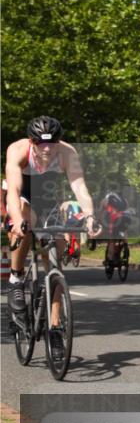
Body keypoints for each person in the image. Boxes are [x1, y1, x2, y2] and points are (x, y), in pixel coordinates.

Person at [4, 116, 102, 352]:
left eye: (52, 143)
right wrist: (17, 221)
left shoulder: (67, 153)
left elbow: (79, 187)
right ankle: (16, 279)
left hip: (47, 198)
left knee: (56, 260)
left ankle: (55, 327)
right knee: (25, 222)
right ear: (32, 142)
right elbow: (14, 192)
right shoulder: (18, 150)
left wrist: (90, 215)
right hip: (22, 196)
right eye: (41, 144)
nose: (47, 149)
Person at [99, 191, 132, 265]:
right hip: (126, 217)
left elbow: (101, 212)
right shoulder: (124, 200)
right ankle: (126, 246)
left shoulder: (105, 199)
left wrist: (100, 222)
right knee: (124, 230)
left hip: (114, 219)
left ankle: (110, 259)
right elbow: (127, 209)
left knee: (111, 240)